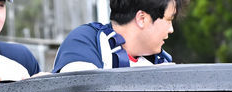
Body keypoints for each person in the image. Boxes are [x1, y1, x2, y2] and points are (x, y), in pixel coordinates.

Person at [53, 0, 185, 73]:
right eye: (169, 19)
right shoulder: (84, 41)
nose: (171, 29)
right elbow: (80, 86)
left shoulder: (160, 60)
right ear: (142, 18)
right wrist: (151, 78)